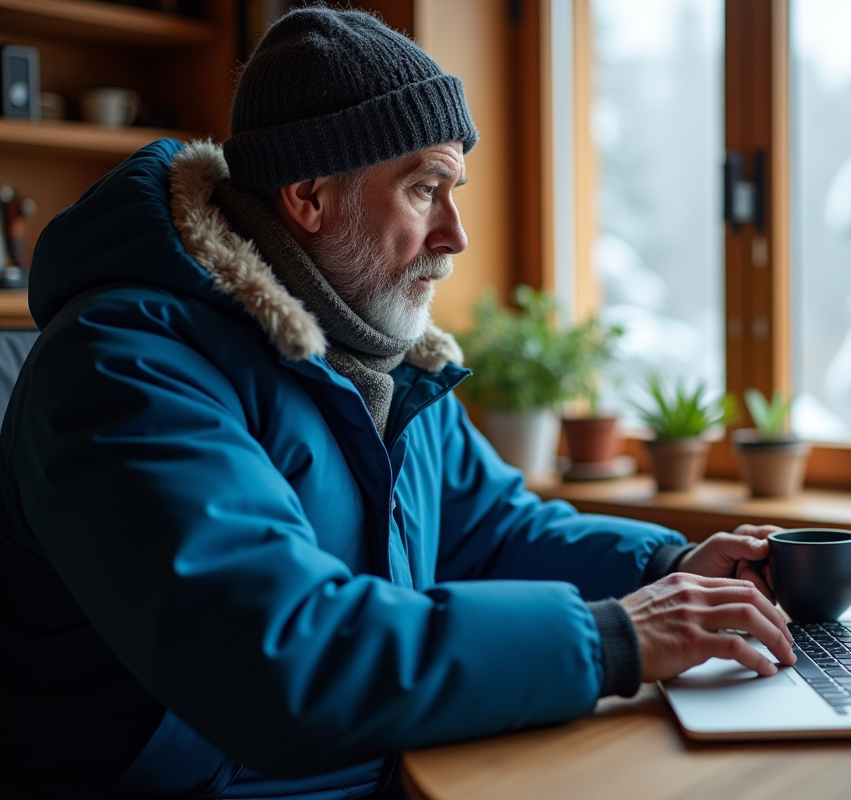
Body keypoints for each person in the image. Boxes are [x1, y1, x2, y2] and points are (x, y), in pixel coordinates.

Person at [0, 8, 795, 799]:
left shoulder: (380, 356)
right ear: (309, 195)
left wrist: (669, 567)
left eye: (456, 190)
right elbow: (281, 662)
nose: (457, 235)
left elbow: (491, 532)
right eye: (426, 188)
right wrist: (612, 638)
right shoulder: (125, 370)